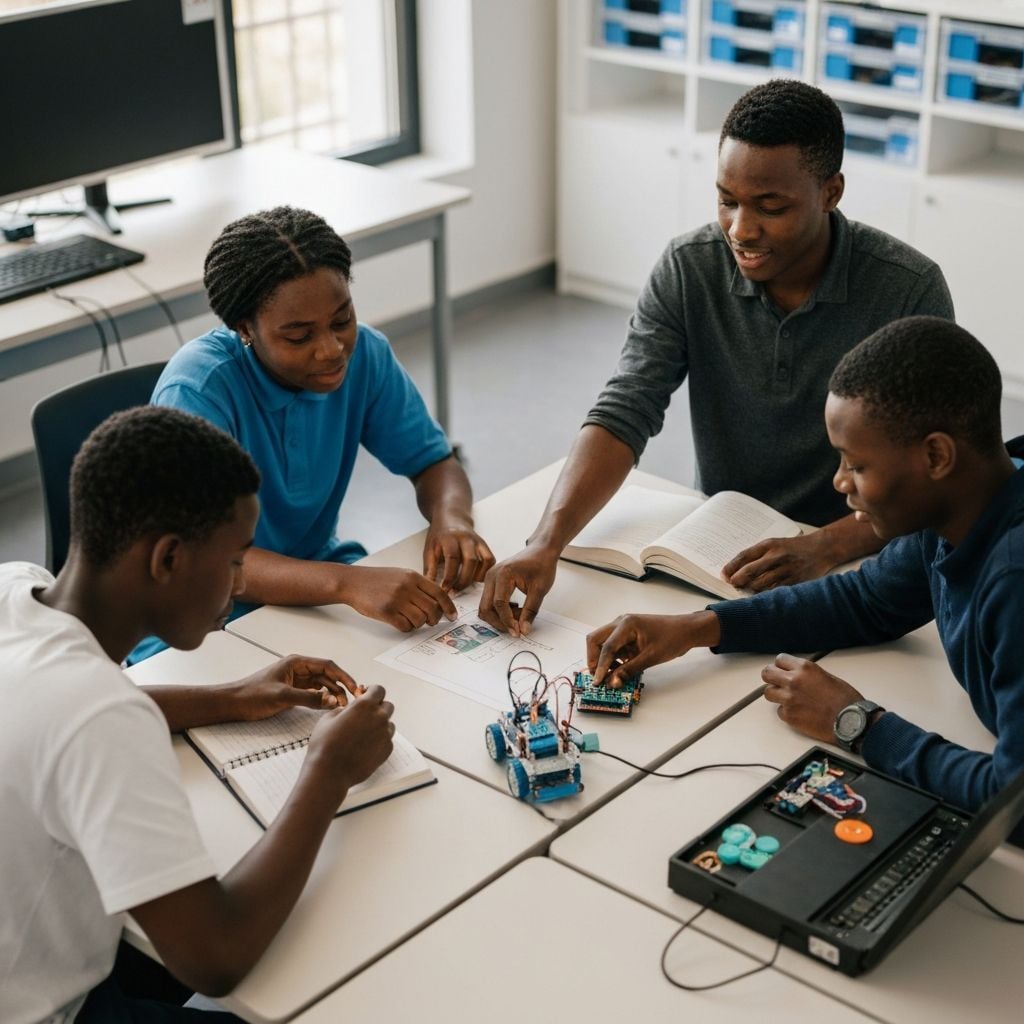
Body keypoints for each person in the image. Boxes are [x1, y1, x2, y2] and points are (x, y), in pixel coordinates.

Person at [479, 79, 953, 636]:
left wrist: (825, 546)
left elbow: (936, 477)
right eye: (727, 200)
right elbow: (626, 406)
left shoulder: (908, 290)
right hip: (718, 554)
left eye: (770, 207)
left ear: (831, 192)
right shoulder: (689, 266)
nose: (740, 230)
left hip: (860, 558)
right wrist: (546, 542)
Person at [0, 406, 396, 1022]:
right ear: (167, 559)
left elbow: (60, 715)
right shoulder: (100, 717)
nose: (239, 585)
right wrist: (328, 772)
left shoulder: (15, 587)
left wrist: (230, 698)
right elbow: (216, 956)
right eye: (235, 561)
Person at [586, 316, 1024, 844]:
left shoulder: (1013, 578)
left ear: (936, 456)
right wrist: (699, 627)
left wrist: (857, 721)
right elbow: (866, 600)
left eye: (856, 465)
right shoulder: (960, 509)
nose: (840, 482)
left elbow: (1014, 804)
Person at [142, 205, 493, 661]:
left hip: (316, 581)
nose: (331, 350)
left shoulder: (366, 355)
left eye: (341, 320)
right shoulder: (198, 391)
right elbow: (203, 558)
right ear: (245, 328)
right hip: (201, 608)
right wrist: (346, 583)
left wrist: (452, 521)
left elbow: (434, 463)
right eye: (298, 337)